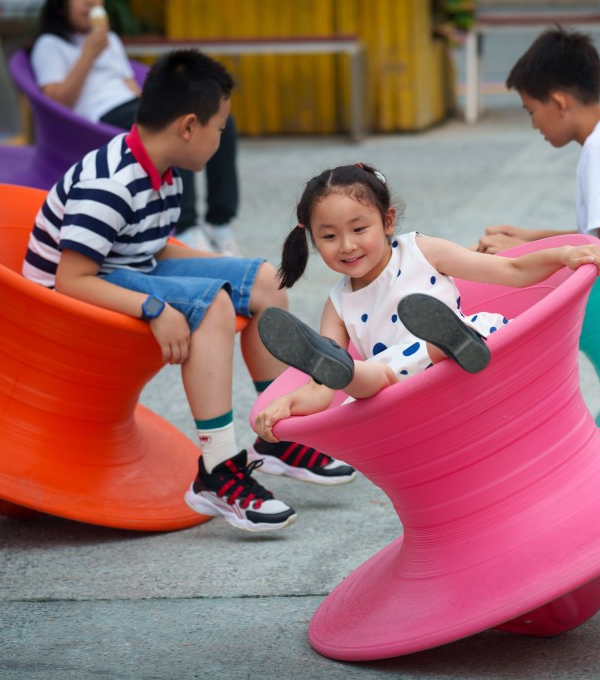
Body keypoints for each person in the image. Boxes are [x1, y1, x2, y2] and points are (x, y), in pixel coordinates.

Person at [22, 49, 357, 534]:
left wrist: (246, 272)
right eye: (219, 129)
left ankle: (275, 435)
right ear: (188, 127)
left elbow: (153, 250)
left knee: (262, 280)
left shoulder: (162, 171)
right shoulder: (111, 184)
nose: (221, 139)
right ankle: (218, 471)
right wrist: (155, 307)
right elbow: (70, 280)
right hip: (70, 301)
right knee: (211, 304)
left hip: (123, 269)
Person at [252, 163, 600, 442]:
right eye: (329, 236)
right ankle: (352, 367)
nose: (346, 245)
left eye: (359, 229)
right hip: (400, 388)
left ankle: (447, 341)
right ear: (313, 239)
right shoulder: (338, 304)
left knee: (433, 347)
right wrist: (286, 404)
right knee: (363, 377)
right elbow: (320, 389)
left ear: (388, 221)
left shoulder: (421, 252)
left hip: (462, 350)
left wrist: (563, 255)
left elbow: (512, 270)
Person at [31, 0, 240, 255]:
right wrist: (89, 53)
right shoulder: (49, 45)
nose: (90, 3)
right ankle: (186, 227)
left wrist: (161, 109)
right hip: (98, 115)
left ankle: (220, 222)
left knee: (220, 121)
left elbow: (129, 83)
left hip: (133, 107)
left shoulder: (109, 40)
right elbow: (56, 101)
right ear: (61, 5)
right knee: (178, 134)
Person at [474, 27, 600, 255]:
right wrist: (530, 237)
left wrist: (525, 250)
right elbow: (598, 236)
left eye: (531, 111)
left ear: (560, 103)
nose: (534, 125)